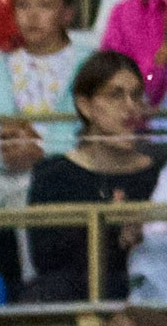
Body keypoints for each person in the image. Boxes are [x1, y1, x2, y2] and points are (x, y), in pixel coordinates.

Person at [24, 46, 160, 303]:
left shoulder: (159, 172)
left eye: (136, 96)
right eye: (116, 96)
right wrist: (114, 238)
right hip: (75, 297)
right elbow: (46, 260)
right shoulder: (53, 174)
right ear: (85, 106)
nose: (130, 107)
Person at [0, 0, 94, 254]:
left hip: (66, 175)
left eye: (45, 5)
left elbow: (94, 134)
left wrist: (42, 153)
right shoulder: (2, 67)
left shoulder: (88, 63)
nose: (32, 15)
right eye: (24, 5)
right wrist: (5, 153)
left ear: (67, 13)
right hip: (6, 175)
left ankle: (32, 284)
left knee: (29, 193)